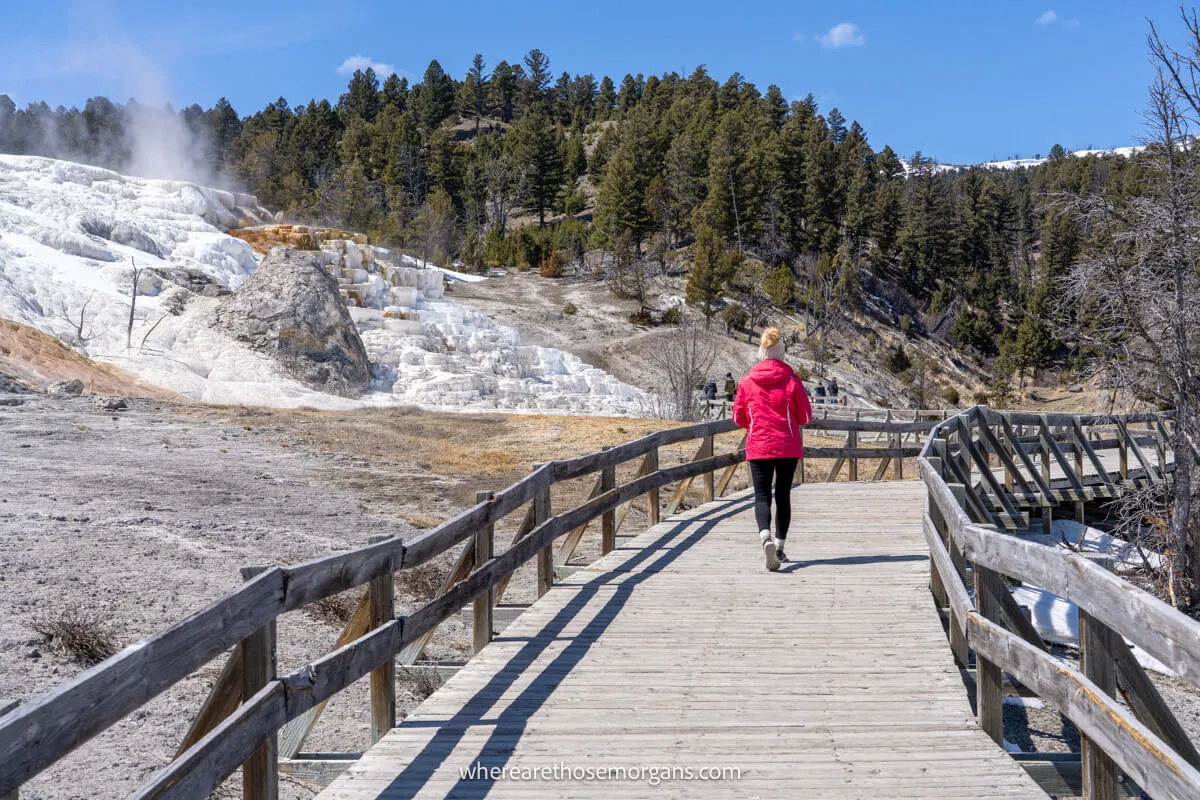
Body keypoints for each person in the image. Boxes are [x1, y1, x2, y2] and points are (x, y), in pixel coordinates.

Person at [732, 327, 813, 572]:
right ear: (781, 353)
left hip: (758, 445)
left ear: (762, 352)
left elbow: (737, 416)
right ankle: (779, 547)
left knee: (761, 496)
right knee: (783, 495)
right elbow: (806, 416)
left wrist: (753, 424)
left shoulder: (747, 381)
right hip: (787, 445)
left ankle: (764, 536)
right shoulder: (791, 380)